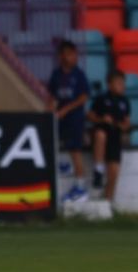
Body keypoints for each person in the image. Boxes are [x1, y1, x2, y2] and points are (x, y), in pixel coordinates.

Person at [48, 39, 91, 203]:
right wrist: (52, 108)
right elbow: (52, 96)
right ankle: (64, 164)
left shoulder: (79, 75)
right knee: (56, 141)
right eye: (66, 54)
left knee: (75, 150)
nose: (69, 58)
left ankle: (80, 186)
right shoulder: (57, 75)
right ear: (61, 56)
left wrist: (66, 109)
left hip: (74, 118)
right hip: (60, 118)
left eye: (72, 54)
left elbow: (83, 97)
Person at [89, 69, 133, 203]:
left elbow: (127, 123)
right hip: (102, 132)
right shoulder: (101, 98)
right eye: (119, 83)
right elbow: (90, 115)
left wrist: (123, 126)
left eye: (123, 83)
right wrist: (102, 120)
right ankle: (98, 170)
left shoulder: (125, 101)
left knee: (114, 172)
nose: (122, 86)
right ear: (109, 84)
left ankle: (108, 203)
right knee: (100, 135)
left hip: (115, 136)